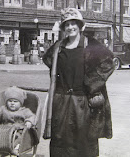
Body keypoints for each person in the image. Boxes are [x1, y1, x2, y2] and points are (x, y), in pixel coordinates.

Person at [42, 8, 114, 157]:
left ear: (80, 26)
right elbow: (48, 60)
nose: (70, 27)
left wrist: (91, 83)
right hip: (61, 104)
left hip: (84, 103)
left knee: (84, 143)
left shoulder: (91, 45)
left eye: (74, 23)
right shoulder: (58, 47)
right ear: (63, 28)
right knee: (60, 143)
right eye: (67, 24)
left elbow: (108, 63)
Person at [0, 87, 36, 153]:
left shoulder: (25, 111)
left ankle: (16, 147)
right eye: (10, 101)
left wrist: (29, 121)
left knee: (19, 138)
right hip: (4, 131)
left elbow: (32, 116)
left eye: (15, 101)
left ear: (20, 103)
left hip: (18, 131)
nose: (12, 103)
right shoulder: (3, 109)